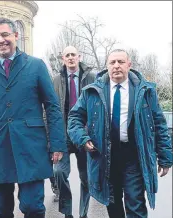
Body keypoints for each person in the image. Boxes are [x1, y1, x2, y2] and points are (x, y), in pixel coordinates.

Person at [0, 17, 67, 218]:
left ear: (16, 36)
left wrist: (57, 144)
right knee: (1, 210)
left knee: (33, 207)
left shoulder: (36, 66)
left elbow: (52, 107)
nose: (0, 40)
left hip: (31, 147)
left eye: (5, 35)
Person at [67, 49, 172, 218]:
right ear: (107, 66)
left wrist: (165, 156)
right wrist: (82, 138)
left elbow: (159, 124)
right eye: (112, 62)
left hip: (134, 157)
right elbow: (74, 118)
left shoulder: (145, 91)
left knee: (135, 204)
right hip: (105, 157)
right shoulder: (92, 92)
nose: (116, 66)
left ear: (129, 65)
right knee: (113, 203)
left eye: (121, 62)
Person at [50, 46, 95, 218]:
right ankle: (67, 213)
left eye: (73, 55)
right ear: (63, 58)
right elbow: (50, 110)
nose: (70, 58)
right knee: (59, 172)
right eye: (67, 55)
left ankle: (83, 214)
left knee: (87, 178)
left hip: (84, 135)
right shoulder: (55, 81)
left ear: (79, 57)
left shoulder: (92, 77)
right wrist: (51, 141)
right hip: (63, 136)